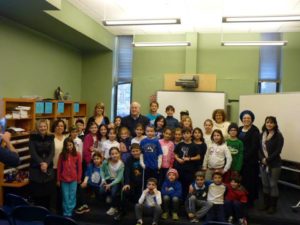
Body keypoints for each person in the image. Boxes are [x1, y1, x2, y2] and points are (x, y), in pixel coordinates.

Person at [259, 116, 284, 214]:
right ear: (265, 123)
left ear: (275, 124)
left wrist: (267, 159)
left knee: (273, 184)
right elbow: (259, 149)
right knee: (265, 184)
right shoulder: (262, 135)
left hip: (274, 164)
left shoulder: (278, 135)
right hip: (263, 163)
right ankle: (266, 204)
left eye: (271, 122)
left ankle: (273, 206)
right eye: (267, 122)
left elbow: (278, 151)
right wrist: (262, 159)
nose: (269, 124)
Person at [29, 119, 55, 210]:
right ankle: (37, 214)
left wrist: (46, 164)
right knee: (37, 194)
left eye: (44, 126)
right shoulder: (33, 137)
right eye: (40, 126)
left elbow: (52, 152)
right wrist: (41, 163)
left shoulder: (51, 137)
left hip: (48, 169)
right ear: (37, 127)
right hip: (36, 169)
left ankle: (47, 212)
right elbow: (33, 152)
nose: (43, 128)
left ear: (47, 127)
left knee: (48, 194)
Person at [238, 110, 260, 207]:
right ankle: (241, 198)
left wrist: (244, 157)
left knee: (250, 182)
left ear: (252, 119)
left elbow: (254, 147)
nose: (246, 120)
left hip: (250, 162)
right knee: (240, 181)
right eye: (244, 118)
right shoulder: (239, 129)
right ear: (242, 119)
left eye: (248, 118)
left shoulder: (255, 131)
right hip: (240, 161)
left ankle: (250, 201)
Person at [57, 138, 82, 217]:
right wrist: (58, 180)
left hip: (74, 179)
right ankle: (66, 211)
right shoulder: (62, 155)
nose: (69, 147)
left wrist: (79, 178)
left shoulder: (77, 154)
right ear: (65, 146)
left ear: (73, 145)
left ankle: (70, 211)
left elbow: (79, 168)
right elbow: (59, 168)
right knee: (65, 195)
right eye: (67, 145)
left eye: (70, 145)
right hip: (64, 179)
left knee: (72, 195)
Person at [119, 143, 144, 220]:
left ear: (140, 151)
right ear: (131, 152)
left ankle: (139, 216)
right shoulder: (129, 159)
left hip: (142, 184)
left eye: (137, 151)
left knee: (138, 200)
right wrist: (126, 183)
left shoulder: (144, 158)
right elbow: (127, 172)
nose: (135, 153)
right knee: (125, 191)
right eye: (133, 151)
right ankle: (122, 212)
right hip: (132, 183)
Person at [174, 128, 200, 199]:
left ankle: (187, 203)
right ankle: (180, 203)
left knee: (188, 187)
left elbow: (198, 157)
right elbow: (175, 153)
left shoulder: (194, 145)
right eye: (184, 133)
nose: (186, 135)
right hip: (180, 169)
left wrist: (189, 159)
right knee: (180, 186)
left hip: (190, 171)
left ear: (191, 134)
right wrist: (178, 159)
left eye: (187, 133)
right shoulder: (180, 144)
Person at [101, 147, 124, 216]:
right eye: (112, 154)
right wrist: (103, 179)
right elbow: (101, 170)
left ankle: (114, 207)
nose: (114, 155)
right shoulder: (106, 162)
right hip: (108, 179)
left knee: (114, 192)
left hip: (116, 181)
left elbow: (119, 178)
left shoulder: (122, 164)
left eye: (116, 153)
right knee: (101, 190)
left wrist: (110, 185)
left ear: (119, 154)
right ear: (110, 155)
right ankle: (109, 195)